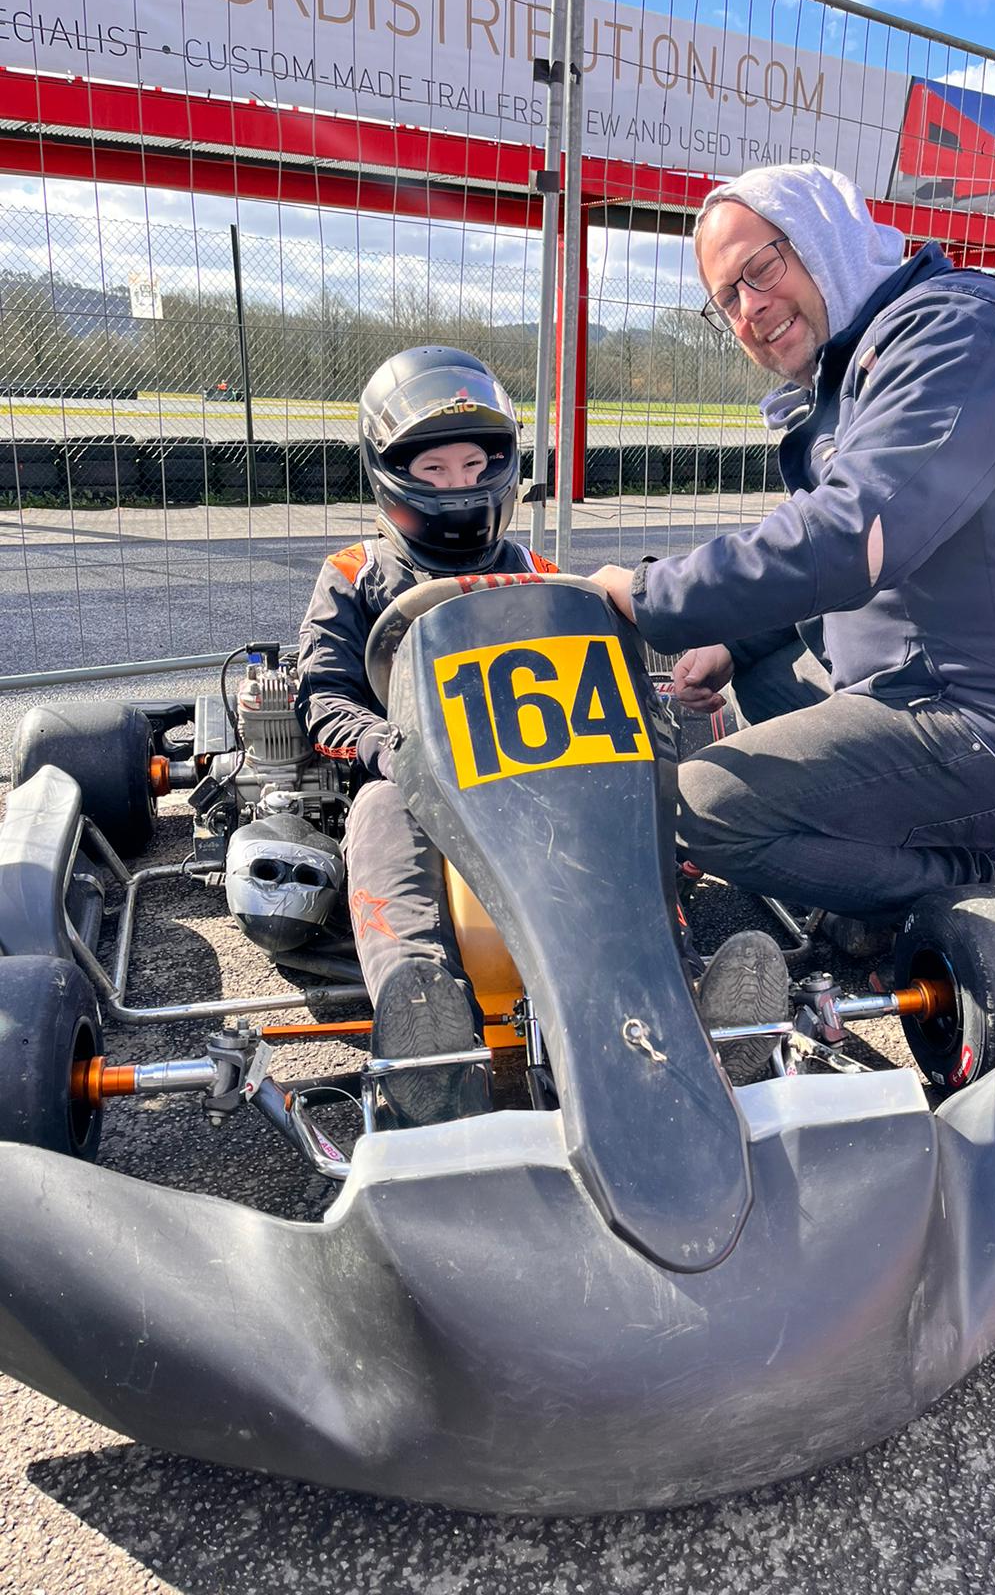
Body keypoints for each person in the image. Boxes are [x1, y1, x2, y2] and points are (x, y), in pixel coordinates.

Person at [589, 163, 995, 942]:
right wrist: (732, 641)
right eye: (728, 299)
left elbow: (855, 534)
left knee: (698, 808)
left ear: (823, 240)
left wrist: (648, 596)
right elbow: (838, 557)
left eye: (762, 269)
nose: (751, 308)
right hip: (941, 679)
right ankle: (898, 856)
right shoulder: (865, 361)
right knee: (760, 674)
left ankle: (977, 885)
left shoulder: (958, 332)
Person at [296, 346, 785, 1124]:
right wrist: (391, 748)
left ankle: (688, 1005)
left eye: (472, 465)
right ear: (391, 474)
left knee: (625, 807)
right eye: (434, 470)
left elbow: (601, 679)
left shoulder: (543, 574)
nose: (458, 485)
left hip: (539, 786)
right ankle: (426, 1028)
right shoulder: (356, 574)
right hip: (417, 785)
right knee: (379, 810)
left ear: (503, 467)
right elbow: (323, 698)